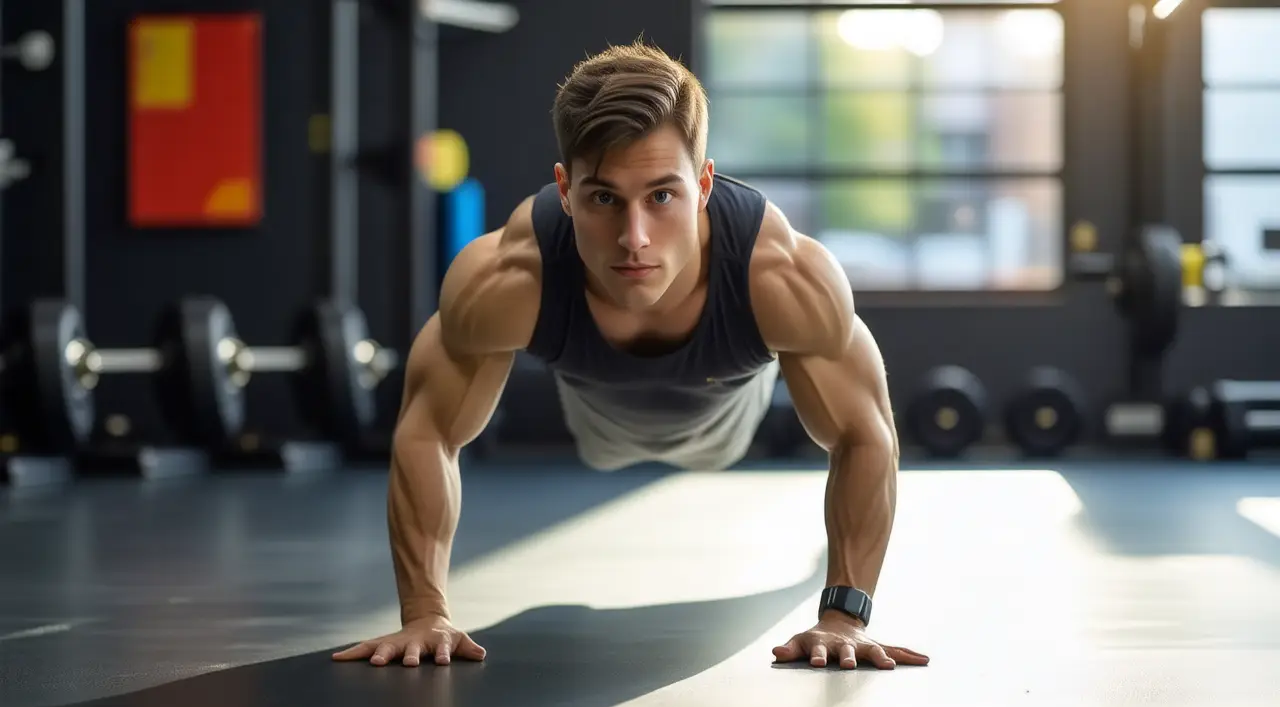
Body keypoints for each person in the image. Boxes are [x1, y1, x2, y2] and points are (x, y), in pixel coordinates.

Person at [332, 40, 929, 673]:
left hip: (727, 415)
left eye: (662, 196)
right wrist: (424, 612)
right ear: (565, 191)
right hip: (596, 420)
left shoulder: (783, 278)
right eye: (604, 198)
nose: (634, 238)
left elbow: (866, 434)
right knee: (593, 432)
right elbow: (427, 433)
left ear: (703, 185)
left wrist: (843, 615)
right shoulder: (507, 280)